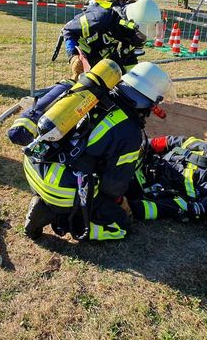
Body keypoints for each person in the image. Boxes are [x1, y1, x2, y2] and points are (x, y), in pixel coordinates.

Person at [13, 62, 173, 241]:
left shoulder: (94, 95)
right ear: (150, 101)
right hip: (57, 188)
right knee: (121, 226)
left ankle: (50, 205)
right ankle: (58, 217)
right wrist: (121, 203)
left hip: (33, 164)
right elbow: (113, 186)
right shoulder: (129, 131)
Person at [58, 0, 160, 79]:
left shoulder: (132, 30)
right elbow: (68, 30)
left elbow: (129, 60)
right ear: (131, 23)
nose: (141, 38)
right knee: (86, 85)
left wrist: (133, 80)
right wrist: (73, 56)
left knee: (117, 78)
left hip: (107, 52)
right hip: (85, 53)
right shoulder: (100, 18)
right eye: (141, 34)